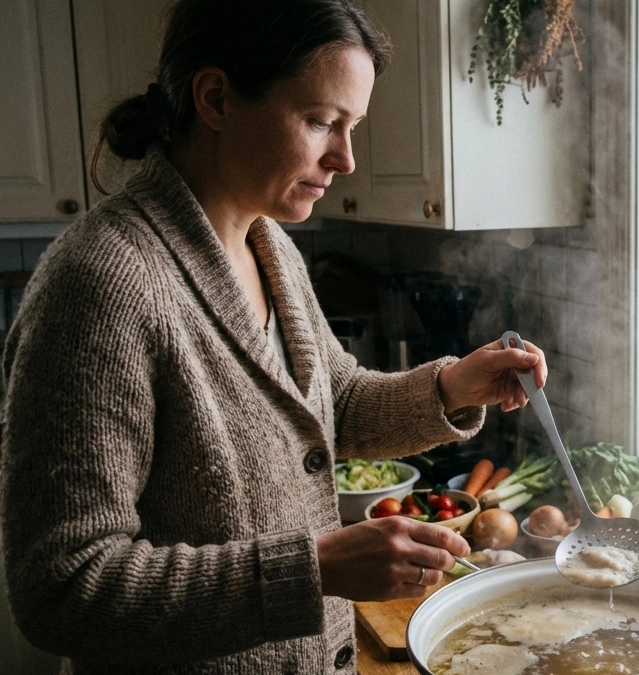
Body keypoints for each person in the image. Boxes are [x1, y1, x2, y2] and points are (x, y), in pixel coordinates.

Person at [0, 1, 547, 673]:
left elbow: (330, 404)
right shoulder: (101, 283)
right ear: (217, 98)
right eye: (321, 121)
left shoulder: (269, 245)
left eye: (353, 127)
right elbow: (62, 586)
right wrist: (312, 569)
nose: (345, 158)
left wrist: (449, 385)